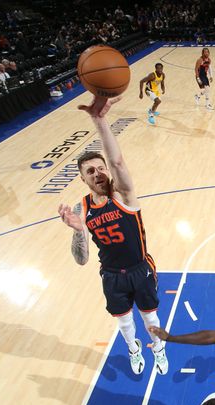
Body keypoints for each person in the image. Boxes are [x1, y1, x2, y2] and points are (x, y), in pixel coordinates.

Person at [57, 95, 168, 376]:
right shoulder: (80, 208)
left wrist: (100, 121)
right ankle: (134, 349)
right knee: (124, 322)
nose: (98, 173)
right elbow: (81, 260)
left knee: (150, 315)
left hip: (140, 268)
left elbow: (118, 162)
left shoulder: (124, 194)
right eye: (90, 171)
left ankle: (158, 348)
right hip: (111, 274)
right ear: (83, 179)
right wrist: (79, 231)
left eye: (100, 167)